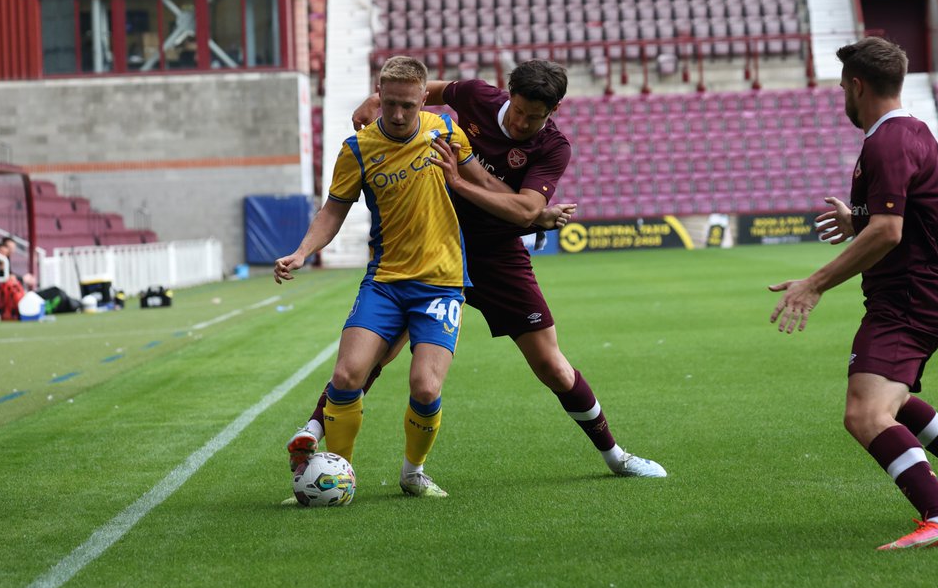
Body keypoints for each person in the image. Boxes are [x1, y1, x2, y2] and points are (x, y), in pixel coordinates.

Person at [289, 60, 666, 479]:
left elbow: (525, 208)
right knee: (374, 355)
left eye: (535, 117)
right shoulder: (474, 95)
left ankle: (615, 455)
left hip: (495, 253)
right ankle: (314, 431)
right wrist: (376, 100)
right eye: (519, 110)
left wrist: (467, 186)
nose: (523, 122)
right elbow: (420, 91)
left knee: (551, 365)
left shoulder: (553, 146)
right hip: (431, 245)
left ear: (553, 111)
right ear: (508, 93)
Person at [769, 37, 938, 550]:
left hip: (908, 299)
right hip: (917, 294)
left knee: (865, 413)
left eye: (842, 88)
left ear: (857, 85)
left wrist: (813, 284)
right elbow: (905, 212)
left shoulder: (887, 141)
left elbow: (889, 231)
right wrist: (856, 216)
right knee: (894, 401)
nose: (842, 98)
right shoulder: (914, 132)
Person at [275, 56, 477, 498]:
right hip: (385, 281)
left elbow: (478, 185)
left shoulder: (445, 132)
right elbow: (333, 211)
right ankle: (337, 472)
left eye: (408, 105)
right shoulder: (357, 149)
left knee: (425, 386)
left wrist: (530, 214)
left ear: (424, 99)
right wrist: (302, 252)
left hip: (441, 283)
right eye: (390, 105)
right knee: (347, 375)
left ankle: (413, 472)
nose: (399, 115)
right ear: (378, 97)